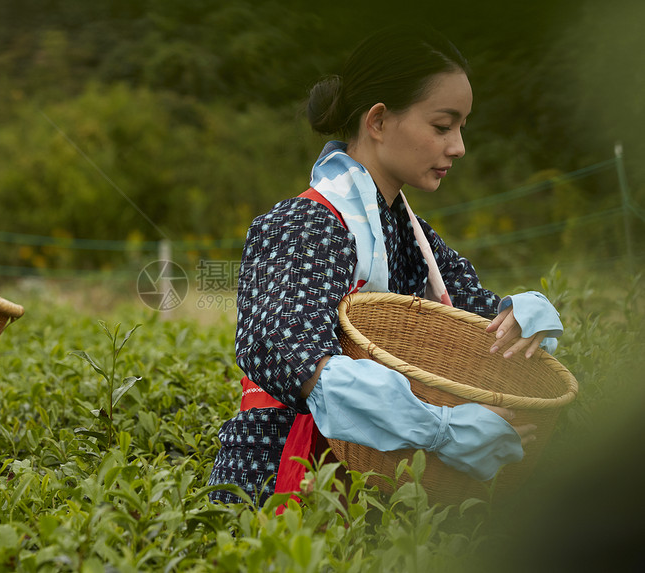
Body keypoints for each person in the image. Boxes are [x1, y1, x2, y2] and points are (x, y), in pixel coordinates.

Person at [208, 25, 564, 506]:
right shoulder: (303, 224)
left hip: (379, 489)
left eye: (462, 127)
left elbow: (475, 321)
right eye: (443, 126)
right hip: (280, 485)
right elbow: (286, 349)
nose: (458, 146)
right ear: (378, 121)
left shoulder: (414, 237)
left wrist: (521, 315)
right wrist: (440, 429)